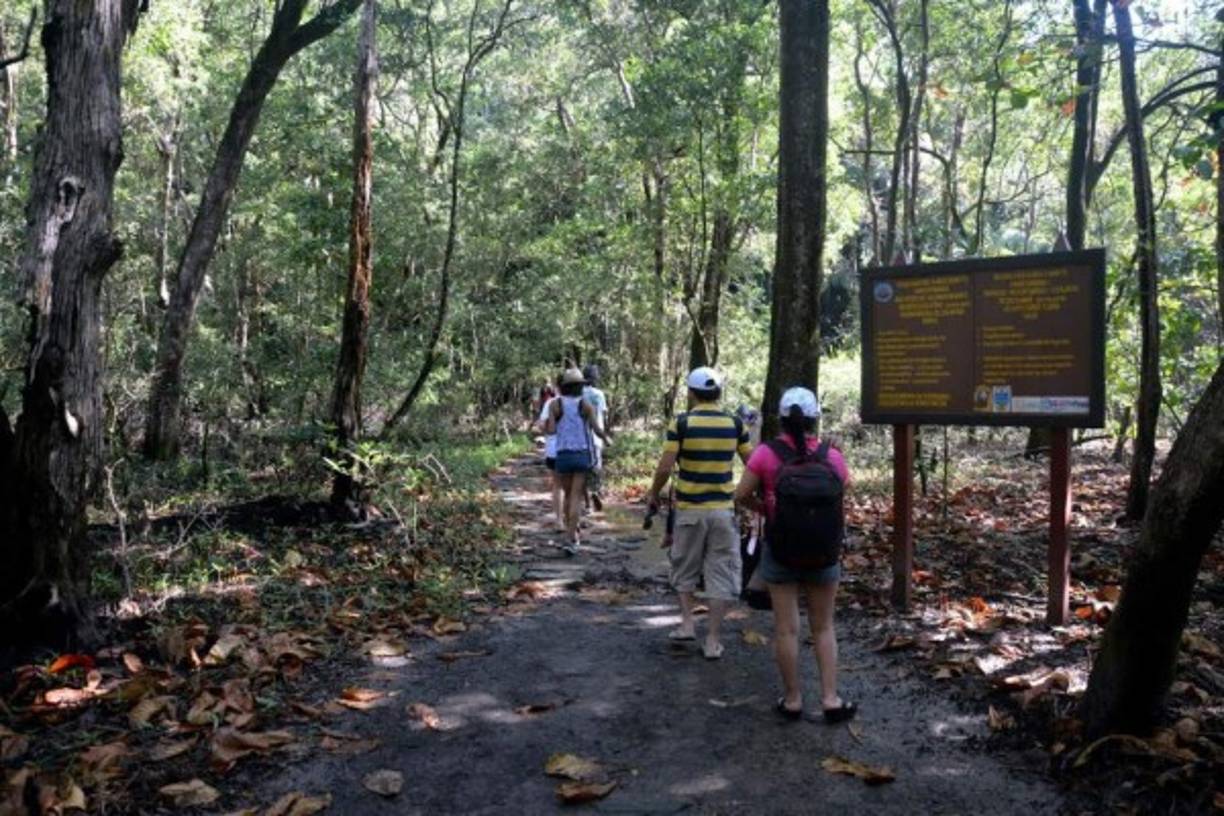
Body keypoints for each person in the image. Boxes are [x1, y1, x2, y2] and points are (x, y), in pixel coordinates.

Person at [734, 387, 856, 723]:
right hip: (824, 551)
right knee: (823, 627)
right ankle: (831, 699)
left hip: (781, 550)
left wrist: (764, 508)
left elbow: (740, 494)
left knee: (786, 629)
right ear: (815, 417)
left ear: (783, 418)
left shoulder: (765, 454)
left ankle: (792, 700)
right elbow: (846, 488)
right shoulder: (832, 456)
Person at [646, 367, 751, 660]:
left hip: (690, 510)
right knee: (720, 572)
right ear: (719, 392)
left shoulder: (682, 423)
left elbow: (666, 467)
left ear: (691, 393)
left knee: (684, 567)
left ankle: (688, 624)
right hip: (722, 511)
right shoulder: (735, 423)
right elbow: (752, 464)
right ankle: (713, 640)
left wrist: (653, 494)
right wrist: (743, 496)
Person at [545, 368, 611, 554]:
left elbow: (551, 430)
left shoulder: (555, 405)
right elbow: (596, 429)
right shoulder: (585, 405)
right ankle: (571, 539)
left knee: (567, 496)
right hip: (582, 454)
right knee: (576, 497)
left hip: (563, 455)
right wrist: (606, 438)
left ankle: (571, 534)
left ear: (563, 387)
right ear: (579, 387)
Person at [532, 380, 564, 531]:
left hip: (554, 449)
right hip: (575, 450)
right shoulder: (581, 402)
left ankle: (559, 520)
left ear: (558, 387)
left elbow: (542, 426)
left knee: (558, 486)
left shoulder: (551, 403)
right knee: (573, 488)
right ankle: (573, 522)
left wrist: (540, 427)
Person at [582, 364, 609, 512]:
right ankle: (596, 492)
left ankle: (587, 504)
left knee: (582, 471)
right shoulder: (599, 394)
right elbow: (603, 415)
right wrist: (606, 436)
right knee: (596, 469)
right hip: (597, 437)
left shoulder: (579, 394)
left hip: (582, 438)